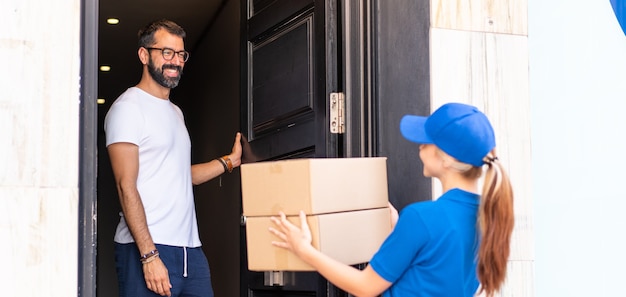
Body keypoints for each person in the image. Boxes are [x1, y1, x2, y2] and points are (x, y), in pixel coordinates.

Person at [269, 102, 514, 297]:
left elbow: (364, 287)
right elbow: (435, 271)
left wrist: (303, 249)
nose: (419, 147)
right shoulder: (491, 216)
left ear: (447, 158)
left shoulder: (422, 218)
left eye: (426, 141)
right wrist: (400, 230)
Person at [104, 19, 242, 297]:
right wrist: (149, 256)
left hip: (190, 250)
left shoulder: (175, 112)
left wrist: (229, 162)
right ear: (144, 55)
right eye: (166, 52)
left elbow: (179, 175)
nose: (175, 61)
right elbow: (125, 185)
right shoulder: (128, 109)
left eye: (180, 54)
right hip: (147, 248)